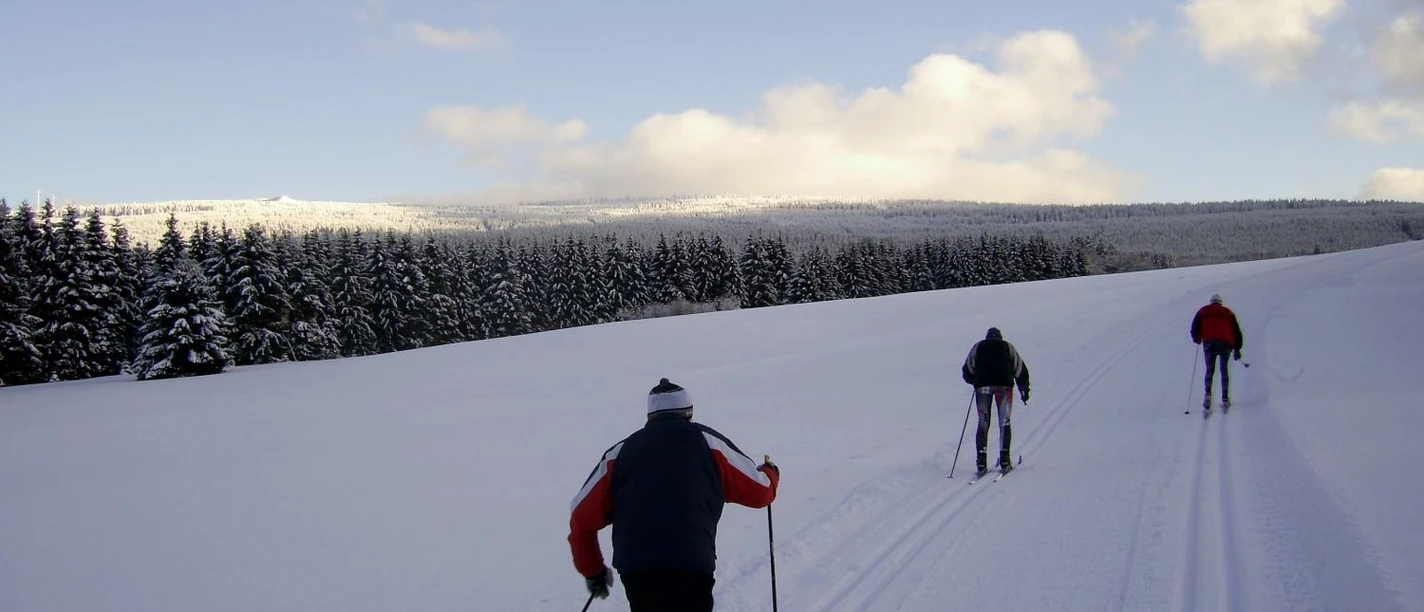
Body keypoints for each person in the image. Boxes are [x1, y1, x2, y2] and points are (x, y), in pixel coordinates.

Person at [568, 378, 780, 612]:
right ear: (689, 413)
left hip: (638, 571)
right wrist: (770, 473)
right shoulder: (709, 443)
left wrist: (593, 570)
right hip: (691, 563)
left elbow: (581, 517)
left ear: (650, 416)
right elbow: (761, 492)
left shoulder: (620, 453)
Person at [961, 327, 1030, 475]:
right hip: (1004, 387)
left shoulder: (978, 347)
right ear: (1000, 337)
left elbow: (967, 370)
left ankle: (981, 462)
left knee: (983, 423)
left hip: (983, 388)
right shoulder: (1007, 347)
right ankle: (1005, 460)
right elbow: (1019, 368)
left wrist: (975, 380)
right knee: (1004, 422)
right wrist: (1024, 390)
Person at [1190, 293, 1244, 410]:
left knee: (1210, 369)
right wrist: (1237, 349)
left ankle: (1208, 395)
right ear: (1220, 303)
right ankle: (1225, 399)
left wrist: (1197, 339)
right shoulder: (1228, 313)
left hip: (1209, 342)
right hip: (1225, 343)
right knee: (1224, 369)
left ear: (1211, 302)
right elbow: (1237, 332)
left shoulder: (1203, 311)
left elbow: (1194, 327)